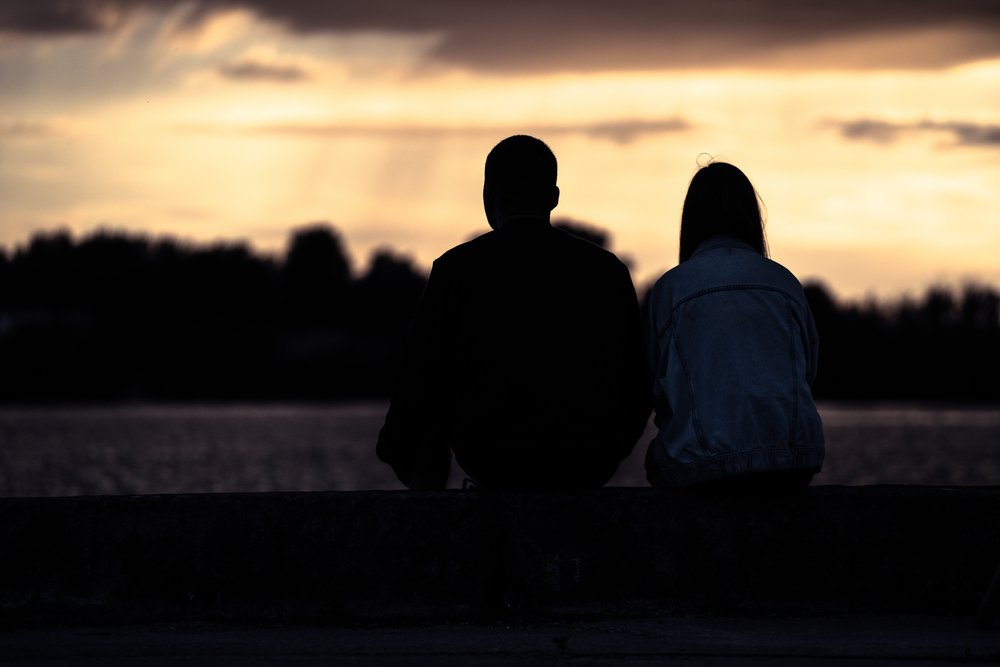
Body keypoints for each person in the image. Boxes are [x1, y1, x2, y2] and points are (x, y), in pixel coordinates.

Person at [377, 135, 650, 490]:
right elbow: (637, 383)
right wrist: (606, 454)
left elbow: (418, 380)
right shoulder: (607, 271)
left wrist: (404, 450)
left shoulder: (455, 270)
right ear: (553, 197)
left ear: (489, 196)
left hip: (492, 463)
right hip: (585, 465)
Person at [644, 161, 825, 490]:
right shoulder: (785, 283)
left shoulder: (671, 288)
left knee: (657, 459)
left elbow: (658, 388)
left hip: (705, 467)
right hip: (794, 462)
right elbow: (807, 373)